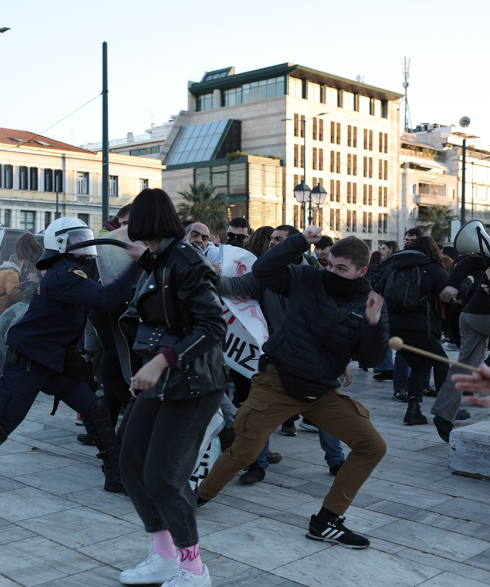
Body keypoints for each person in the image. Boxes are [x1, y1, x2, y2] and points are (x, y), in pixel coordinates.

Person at [0, 216, 144, 499]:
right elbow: (108, 299)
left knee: (95, 408)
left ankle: (116, 476)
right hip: (28, 362)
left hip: (54, 361)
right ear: (61, 244)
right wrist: (138, 263)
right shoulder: (63, 275)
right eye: (76, 239)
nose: (85, 243)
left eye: (83, 237)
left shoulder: (67, 272)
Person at [197, 229, 388, 549]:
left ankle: (327, 520)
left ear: (361, 272)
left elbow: (371, 358)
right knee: (245, 450)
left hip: (320, 392)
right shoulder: (307, 278)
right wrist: (299, 242)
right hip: (277, 381)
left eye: (342, 269)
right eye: (330, 264)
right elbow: (265, 271)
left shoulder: (369, 303)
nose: (332, 272)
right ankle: (199, 497)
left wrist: (373, 323)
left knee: (373, 445)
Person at [115, 189, 226, 587]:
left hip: (194, 385)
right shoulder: (161, 258)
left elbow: (213, 327)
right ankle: (163, 554)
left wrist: (160, 362)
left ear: (144, 221)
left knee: (163, 476)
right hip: (162, 381)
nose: (122, 227)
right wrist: (146, 369)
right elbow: (163, 306)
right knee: (128, 462)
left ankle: (194, 569)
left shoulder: (185, 260)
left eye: (128, 221)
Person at [375, 236, 450, 425]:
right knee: (441, 362)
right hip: (421, 327)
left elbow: (377, 289)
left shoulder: (394, 266)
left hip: (395, 328)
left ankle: (413, 410)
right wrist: (468, 281)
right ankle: (445, 411)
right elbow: (451, 290)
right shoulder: (431, 268)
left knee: (418, 366)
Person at [433, 261, 490, 441]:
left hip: (469, 315)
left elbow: (466, 263)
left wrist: (452, 285)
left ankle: (443, 415)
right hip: (485, 315)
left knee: (464, 366)